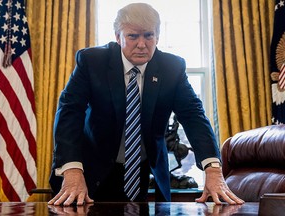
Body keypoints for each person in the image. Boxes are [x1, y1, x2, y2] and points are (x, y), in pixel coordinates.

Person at [48, 3, 244, 206]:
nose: (142, 44)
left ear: (157, 37)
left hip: (140, 172)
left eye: (149, 36)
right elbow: (69, 112)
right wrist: (71, 169)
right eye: (133, 36)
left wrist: (212, 168)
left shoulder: (172, 68)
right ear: (118, 37)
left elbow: (194, 116)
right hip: (89, 170)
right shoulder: (92, 61)